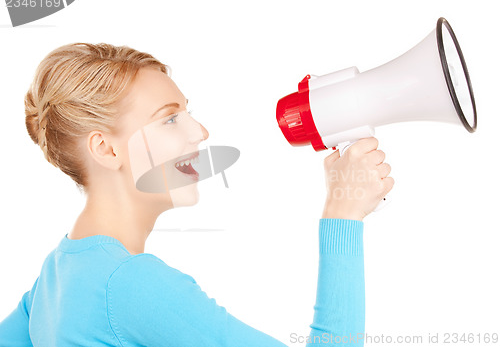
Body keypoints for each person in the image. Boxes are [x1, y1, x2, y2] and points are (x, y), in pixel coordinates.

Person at [0, 43, 394, 346]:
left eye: (187, 112)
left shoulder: (56, 275)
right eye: (170, 118)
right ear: (106, 149)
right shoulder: (130, 283)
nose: (200, 132)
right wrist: (343, 213)